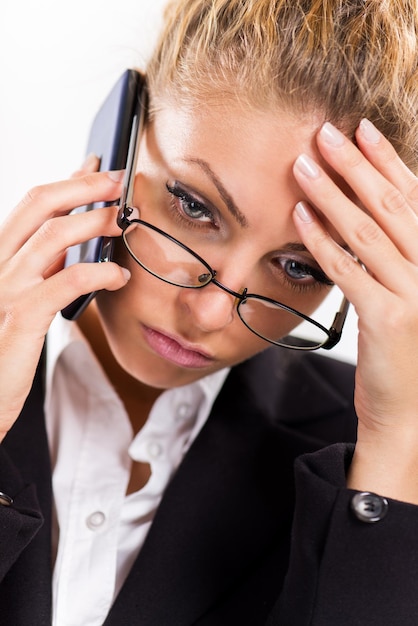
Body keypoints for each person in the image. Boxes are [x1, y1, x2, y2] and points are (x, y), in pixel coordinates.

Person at [1, 0, 418, 624]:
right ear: (121, 139)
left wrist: (397, 444)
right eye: (194, 207)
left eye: (299, 267)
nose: (212, 312)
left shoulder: (372, 463)